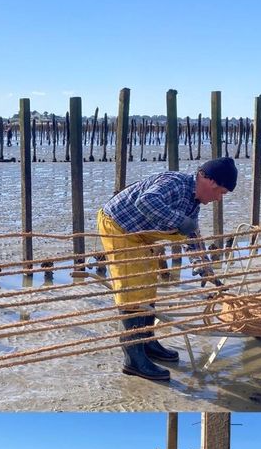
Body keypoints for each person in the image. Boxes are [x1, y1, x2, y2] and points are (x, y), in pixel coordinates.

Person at [97, 157, 238, 382]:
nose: (218, 199)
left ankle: (147, 342)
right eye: (221, 192)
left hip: (140, 234)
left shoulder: (193, 203)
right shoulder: (175, 184)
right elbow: (146, 201)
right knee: (132, 287)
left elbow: (191, 235)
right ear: (210, 181)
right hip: (118, 225)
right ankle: (133, 358)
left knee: (148, 284)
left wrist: (205, 267)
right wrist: (178, 220)